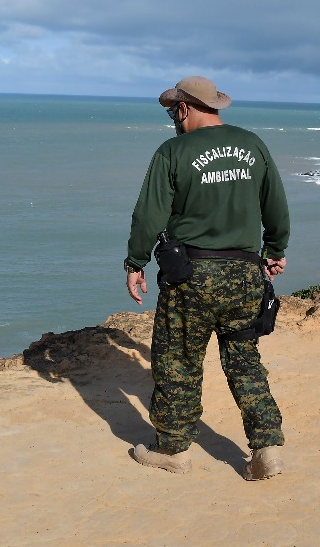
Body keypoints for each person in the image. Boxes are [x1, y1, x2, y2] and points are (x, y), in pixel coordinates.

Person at [124, 75, 290, 480]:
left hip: (190, 276)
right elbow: (276, 204)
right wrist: (275, 249)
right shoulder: (252, 144)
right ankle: (267, 448)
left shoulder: (173, 151)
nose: (172, 120)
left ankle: (174, 451)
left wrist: (135, 262)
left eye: (172, 112)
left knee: (177, 362)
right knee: (245, 361)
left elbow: (149, 214)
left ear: (184, 108)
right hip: (245, 273)